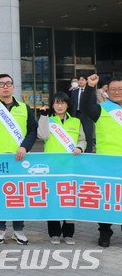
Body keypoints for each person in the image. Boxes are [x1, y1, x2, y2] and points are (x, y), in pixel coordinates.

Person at [0, 74, 37, 245]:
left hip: (19, 159)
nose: (5, 86)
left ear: (13, 86)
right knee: (0, 195)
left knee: (18, 195)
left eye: (8, 83)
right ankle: (0, 229)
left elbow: (32, 131)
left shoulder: (24, 108)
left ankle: (18, 229)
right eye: (1, 84)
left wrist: (24, 146)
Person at [37, 91, 85, 245]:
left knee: (69, 199)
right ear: (52, 105)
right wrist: (43, 117)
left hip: (71, 167)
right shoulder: (48, 120)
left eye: (62, 102)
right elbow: (42, 136)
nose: (59, 105)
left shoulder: (76, 121)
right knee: (53, 199)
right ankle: (54, 233)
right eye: (56, 102)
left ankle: (69, 233)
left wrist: (79, 147)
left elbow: (83, 139)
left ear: (67, 105)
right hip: (52, 167)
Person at [81, 73, 122, 247]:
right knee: (107, 200)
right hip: (106, 163)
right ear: (107, 91)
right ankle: (105, 233)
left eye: (120, 89)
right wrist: (90, 87)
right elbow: (85, 106)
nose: (117, 92)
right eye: (113, 89)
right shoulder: (101, 109)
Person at [70, 75, 96, 152]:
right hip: (76, 114)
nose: (80, 81)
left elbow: (93, 104)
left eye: (82, 80)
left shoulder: (90, 92)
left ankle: (88, 151)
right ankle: (78, 149)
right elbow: (72, 104)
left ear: (86, 81)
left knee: (88, 133)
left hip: (87, 115)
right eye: (79, 80)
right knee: (78, 133)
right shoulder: (74, 92)